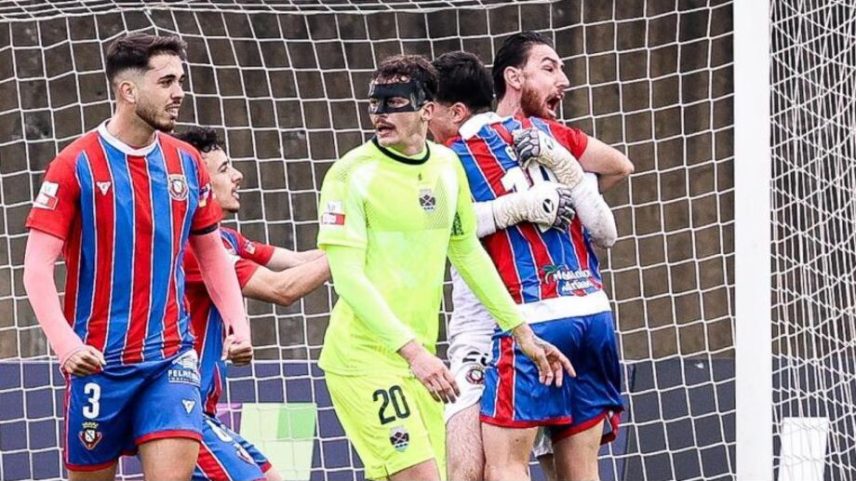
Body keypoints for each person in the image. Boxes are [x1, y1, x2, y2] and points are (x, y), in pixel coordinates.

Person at [316, 54, 573, 481]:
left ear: (426, 108)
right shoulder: (349, 175)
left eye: (394, 102)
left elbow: (467, 252)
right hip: (363, 361)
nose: (380, 114)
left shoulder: (446, 166)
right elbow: (348, 278)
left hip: (418, 364)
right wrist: (416, 353)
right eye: (375, 103)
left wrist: (522, 333)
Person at [22, 33, 252, 481]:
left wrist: (237, 327)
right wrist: (66, 345)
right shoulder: (75, 165)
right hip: (98, 362)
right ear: (128, 91)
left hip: (170, 359)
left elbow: (213, 256)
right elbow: (35, 268)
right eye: (166, 82)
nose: (179, 93)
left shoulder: (186, 162)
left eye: (180, 80)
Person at [429, 49, 626, 481]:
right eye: (550, 68)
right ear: (513, 80)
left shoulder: (451, 155)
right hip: (589, 310)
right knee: (572, 468)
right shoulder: (548, 135)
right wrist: (554, 185)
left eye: (429, 109)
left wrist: (527, 200)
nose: (423, 120)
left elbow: (437, 226)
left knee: (489, 469)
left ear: (455, 111)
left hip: (516, 319)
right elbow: (614, 200)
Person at [176, 127, 330, 481]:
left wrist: (354, 239)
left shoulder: (226, 239)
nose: (238, 175)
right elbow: (282, 288)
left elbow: (297, 261)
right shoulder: (189, 247)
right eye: (224, 169)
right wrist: (355, 252)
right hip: (182, 413)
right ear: (198, 184)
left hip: (203, 414)